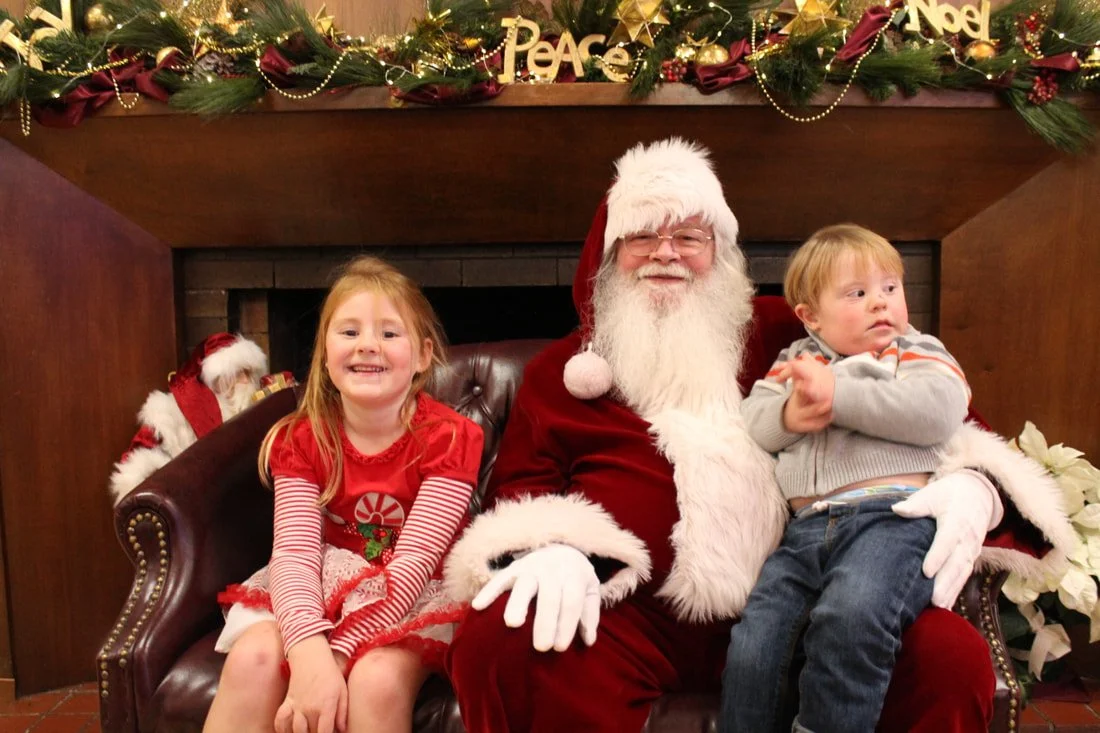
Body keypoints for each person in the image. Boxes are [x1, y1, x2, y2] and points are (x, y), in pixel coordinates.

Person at [442, 138, 1074, 732]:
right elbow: (522, 486)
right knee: (499, 637)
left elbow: (947, 413)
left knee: (947, 655)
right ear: (607, 257)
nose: (666, 252)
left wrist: (974, 486)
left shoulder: (787, 332)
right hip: (629, 619)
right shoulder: (563, 372)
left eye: (689, 235)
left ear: (719, 252)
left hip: (814, 599)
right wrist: (552, 548)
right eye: (641, 237)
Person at [720, 223, 985, 732]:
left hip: (891, 519)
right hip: (804, 532)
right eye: (857, 294)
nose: (880, 304)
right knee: (756, 641)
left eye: (890, 288)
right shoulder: (795, 361)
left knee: (852, 616)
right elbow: (754, 420)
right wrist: (791, 416)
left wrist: (838, 397)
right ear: (810, 316)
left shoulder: (914, 351)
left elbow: (939, 411)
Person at [203, 257, 484, 733]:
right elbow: (293, 555)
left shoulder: (451, 439)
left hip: (410, 595)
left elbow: (414, 562)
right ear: (325, 352)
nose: (368, 345)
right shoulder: (302, 439)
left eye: (390, 334)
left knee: (375, 679)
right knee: (255, 657)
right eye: (349, 332)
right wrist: (307, 650)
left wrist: (332, 659)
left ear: (422, 355)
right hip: (322, 583)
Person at [109, 332, 269, 504]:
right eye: (237, 374)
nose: (246, 381)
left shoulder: (258, 409)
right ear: (215, 379)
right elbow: (133, 469)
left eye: (249, 373)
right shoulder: (170, 415)